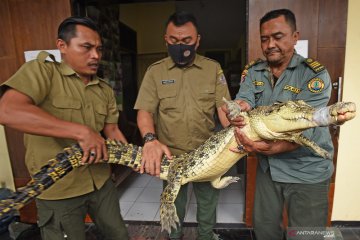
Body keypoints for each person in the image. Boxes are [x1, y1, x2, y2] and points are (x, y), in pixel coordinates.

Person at [0, 17, 129, 240]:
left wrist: (134, 157)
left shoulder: (105, 89)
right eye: (86, 47)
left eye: (99, 49)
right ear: (62, 46)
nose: (96, 55)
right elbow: (7, 111)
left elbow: (112, 131)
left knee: (118, 234)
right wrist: (82, 132)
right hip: (59, 190)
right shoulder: (42, 72)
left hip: (100, 182)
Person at [225, 9, 334, 240]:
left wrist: (270, 148)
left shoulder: (314, 75)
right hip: (269, 169)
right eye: (264, 39)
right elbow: (245, 98)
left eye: (278, 36)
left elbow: (307, 126)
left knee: (306, 235)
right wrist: (238, 107)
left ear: (295, 36)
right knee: (265, 231)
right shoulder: (254, 70)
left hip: (307, 170)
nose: (270, 44)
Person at [134, 11, 230, 240]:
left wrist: (236, 132)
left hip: (207, 154)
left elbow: (223, 109)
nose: (180, 46)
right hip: (172, 157)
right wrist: (149, 140)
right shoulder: (155, 72)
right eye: (174, 41)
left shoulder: (212, 69)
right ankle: (174, 237)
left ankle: (206, 236)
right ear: (166, 39)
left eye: (186, 41)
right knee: (173, 205)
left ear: (198, 40)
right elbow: (144, 111)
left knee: (208, 203)